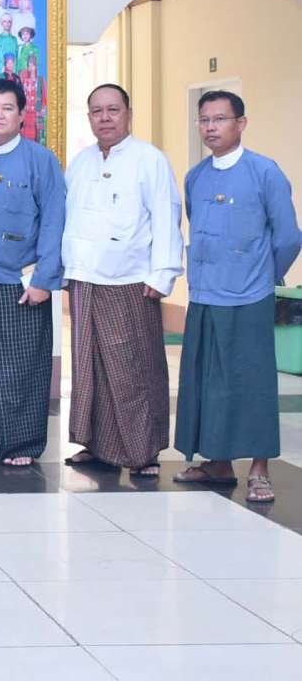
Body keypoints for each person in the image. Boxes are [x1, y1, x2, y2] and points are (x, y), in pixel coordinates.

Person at [175, 91, 300, 503]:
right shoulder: (196, 176)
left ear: (241, 123)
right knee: (209, 382)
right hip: (206, 294)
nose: (210, 127)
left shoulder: (265, 172)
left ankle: (260, 470)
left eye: (220, 119)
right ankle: (218, 462)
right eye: (204, 120)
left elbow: (287, 237)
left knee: (253, 382)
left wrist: (264, 275)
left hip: (249, 296)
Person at [63, 84, 184, 478]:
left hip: (131, 280)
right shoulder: (80, 163)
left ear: (128, 114)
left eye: (113, 110)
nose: (105, 118)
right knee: (90, 368)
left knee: (133, 367)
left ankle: (142, 450)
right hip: (85, 279)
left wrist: (163, 273)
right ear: (89, 117)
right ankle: (98, 445)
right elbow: (70, 220)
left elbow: (166, 216)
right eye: (97, 111)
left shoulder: (149, 160)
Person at [0, 79, 65, 466]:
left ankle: (22, 444)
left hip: (21, 283)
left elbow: (54, 221)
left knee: (22, 366)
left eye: (7, 108)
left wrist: (44, 280)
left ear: (22, 115)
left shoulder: (41, 160)